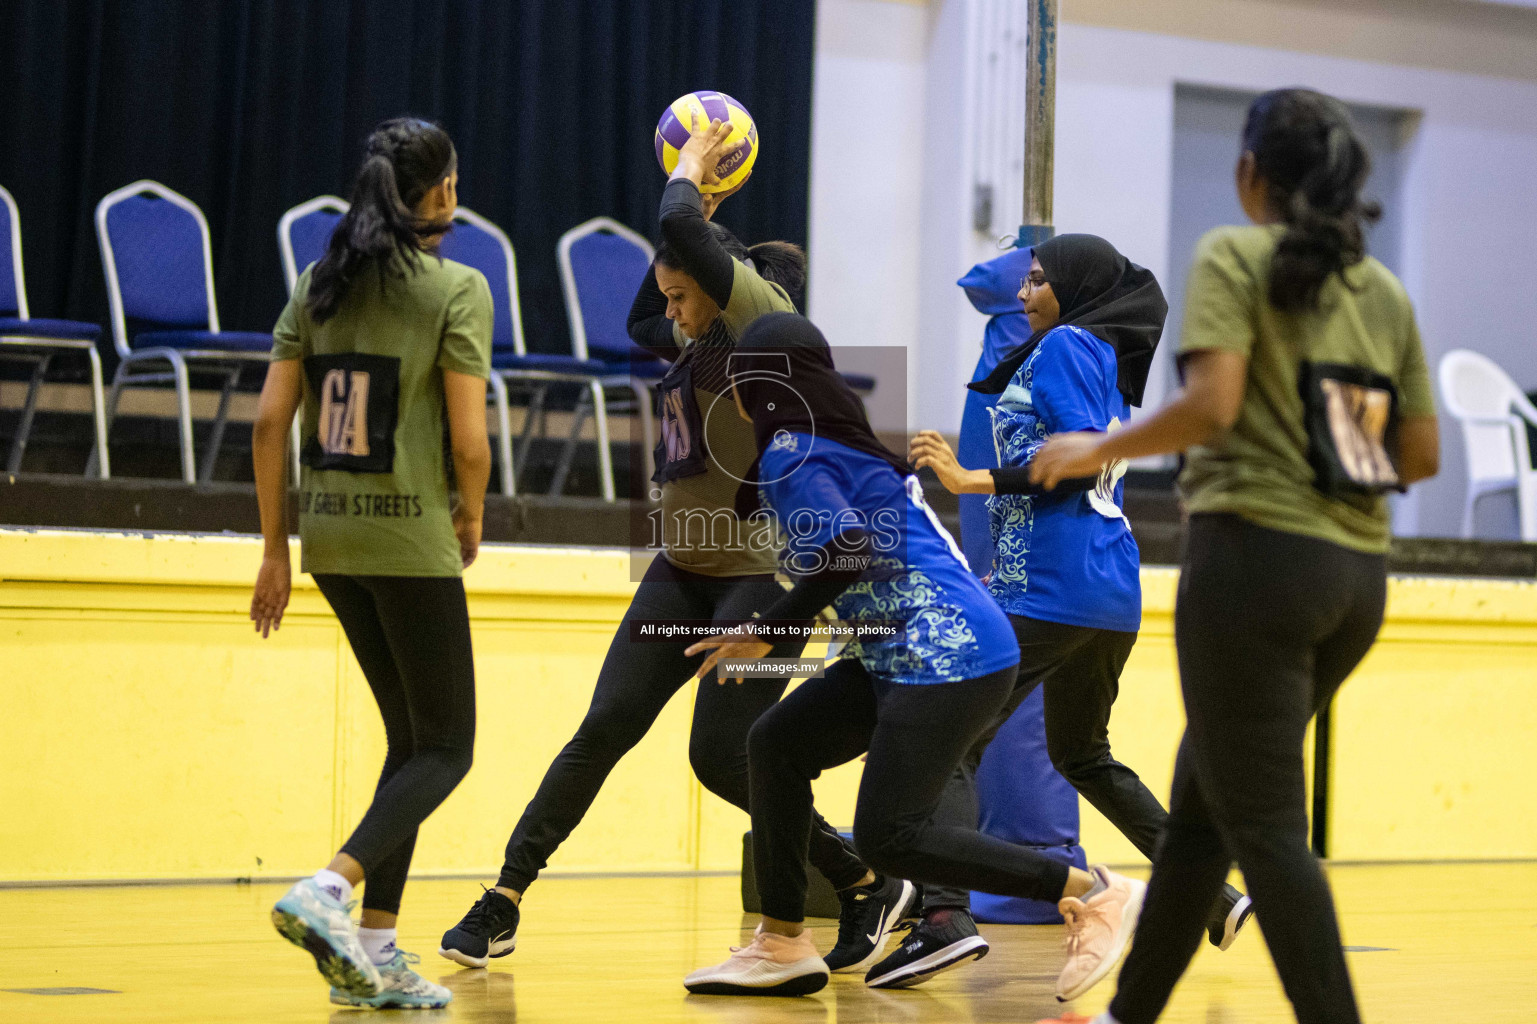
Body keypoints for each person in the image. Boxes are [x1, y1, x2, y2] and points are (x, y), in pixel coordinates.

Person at [438, 116, 904, 974]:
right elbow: (642, 309)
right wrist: (686, 233)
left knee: (724, 758)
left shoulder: (761, 320)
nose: (674, 316)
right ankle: (503, 898)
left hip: (759, 581)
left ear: (726, 289)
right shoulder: (688, 331)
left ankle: (861, 877)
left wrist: (691, 172)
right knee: (605, 724)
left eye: (687, 296)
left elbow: (688, 242)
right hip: (681, 574)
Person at [1030, 88, 1439, 1024]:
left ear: (1249, 174)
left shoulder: (1232, 253)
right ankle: (1128, 1016)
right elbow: (1418, 457)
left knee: (1262, 828)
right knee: (1202, 820)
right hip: (1353, 584)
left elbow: (1212, 405)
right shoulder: (1383, 293)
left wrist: (1095, 448)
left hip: (1251, 572)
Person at [681, 312, 1145, 999]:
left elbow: (844, 550)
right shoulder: (841, 445)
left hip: (946, 656)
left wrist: (764, 633)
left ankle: (1094, 893)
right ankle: (781, 942)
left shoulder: (791, 450)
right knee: (776, 742)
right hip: (920, 650)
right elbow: (851, 571)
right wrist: (774, 633)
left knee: (890, 837)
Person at [893, 234, 1252, 991]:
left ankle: (943, 920)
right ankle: (1212, 898)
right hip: (1109, 592)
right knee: (1081, 755)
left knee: (950, 742)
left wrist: (969, 478)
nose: (1024, 295)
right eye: (1023, 282)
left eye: (1036, 281)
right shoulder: (1099, 357)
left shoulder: (1063, 346)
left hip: (1050, 589)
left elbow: (1079, 453)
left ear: (1072, 290)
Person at [252, 116, 492, 1010]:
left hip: (332, 538)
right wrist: (469, 513)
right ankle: (331, 888)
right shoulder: (456, 287)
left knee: (409, 742)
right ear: (439, 195)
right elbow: (469, 441)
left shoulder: (318, 284)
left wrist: (276, 549)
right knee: (450, 746)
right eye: (453, 182)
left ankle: (377, 951)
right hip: (411, 539)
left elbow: (270, 423)